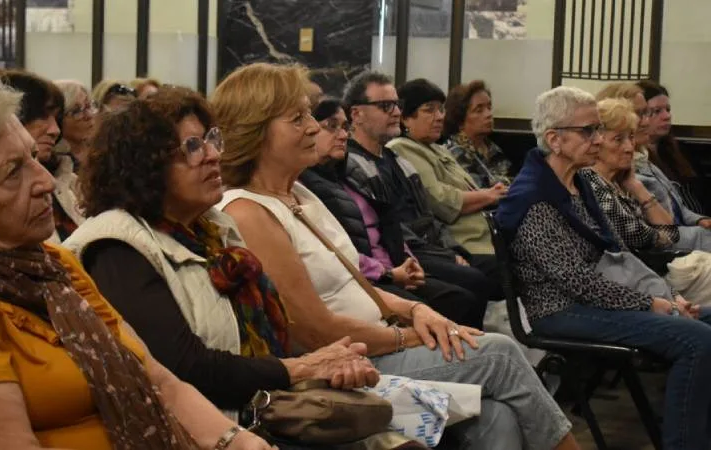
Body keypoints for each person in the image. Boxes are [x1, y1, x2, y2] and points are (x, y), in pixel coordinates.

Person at [212, 62, 579, 450]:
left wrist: (416, 310)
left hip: (373, 341)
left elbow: (354, 282)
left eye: (309, 115)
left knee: (496, 414)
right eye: (298, 118)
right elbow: (313, 331)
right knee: (500, 354)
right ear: (255, 130)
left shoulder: (298, 193)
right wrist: (409, 336)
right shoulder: (248, 212)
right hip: (343, 366)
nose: (314, 128)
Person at [0, 68, 272, 449]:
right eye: (13, 172)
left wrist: (238, 442)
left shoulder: (52, 265)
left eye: (33, 157)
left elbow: (161, 382)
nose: (46, 182)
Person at [62, 87, 380, 418]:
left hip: (256, 409)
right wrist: (302, 368)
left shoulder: (212, 229)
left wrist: (316, 366)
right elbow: (186, 367)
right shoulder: (115, 246)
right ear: (143, 164)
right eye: (192, 147)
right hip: (195, 427)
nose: (213, 155)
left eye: (211, 140)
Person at [495, 85, 711, 450]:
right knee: (698, 341)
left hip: (597, 300)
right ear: (555, 139)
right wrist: (651, 304)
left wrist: (669, 296)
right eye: (588, 131)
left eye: (597, 129)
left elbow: (619, 255)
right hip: (561, 310)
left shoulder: (579, 183)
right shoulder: (534, 197)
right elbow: (577, 281)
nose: (597, 139)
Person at [299, 98, 487, 329]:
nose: (343, 135)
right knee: (457, 299)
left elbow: (391, 223)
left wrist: (408, 259)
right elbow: (337, 252)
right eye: (331, 126)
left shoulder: (350, 175)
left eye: (345, 127)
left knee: (466, 294)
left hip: (396, 263)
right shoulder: (307, 186)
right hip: (368, 278)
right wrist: (388, 273)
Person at [341, 71, 502, 307]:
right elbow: (394, 228)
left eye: (397, 104)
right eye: (385, 106)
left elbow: (429, 217)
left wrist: (453, 250)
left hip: (427, 247)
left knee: (497, 269)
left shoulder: (396, 160)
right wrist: (446, 255)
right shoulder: (352, 164)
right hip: (399, 254)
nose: (396, 112)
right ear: (356, 114)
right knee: (469, 288)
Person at [388, 78, 503, 255]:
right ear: (406, 118)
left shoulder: (438, 148)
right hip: (463, 246)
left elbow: (469, 187)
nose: (440, 116)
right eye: (429, 110)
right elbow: (440, 200)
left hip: (488, 238)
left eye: (441, 109)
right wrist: (490, 195)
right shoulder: (401, 148)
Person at [597, 83, 711, 249]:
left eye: (647, 113)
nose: (646, 121)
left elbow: (675, 213)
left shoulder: (643, 159)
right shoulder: (595, 182)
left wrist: (699, 220)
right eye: (618, 139)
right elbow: (652, 239)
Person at [0, 71, 85, 244]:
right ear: (13, 117)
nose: (55, 130)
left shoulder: (69, 181)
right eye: (41, 116)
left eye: (56, 118)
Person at [583, 98, 681, 251]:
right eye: (618, 139)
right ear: (595, 142)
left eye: (631, 137)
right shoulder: (593, 185)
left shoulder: (618, 182)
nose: (629, 148)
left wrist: (636, 186)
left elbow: (672, 234)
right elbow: (655, 238)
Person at [637, 79, 706, 215]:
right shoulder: (638, 160)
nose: (667, 116)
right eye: (657, 111)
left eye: (668, 109)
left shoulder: (681, 151)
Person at [444, 80, 513, 188]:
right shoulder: (453, 152)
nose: (489, 114)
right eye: (479, 110)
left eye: (489, 108)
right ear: (460, 120)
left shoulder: (493, 148)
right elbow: (477, 187)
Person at [54, 79, 96, 169]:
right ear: (58, 118)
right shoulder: (52, 162)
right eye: (76, 111)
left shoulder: (103, 151)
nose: (89, 115)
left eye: (89, 106)